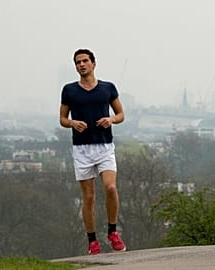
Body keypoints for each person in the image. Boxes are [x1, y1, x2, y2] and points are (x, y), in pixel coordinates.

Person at [60, 48, 126, 255]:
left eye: (85, 61)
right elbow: (62, 119)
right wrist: (72, 123)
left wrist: (111, 119)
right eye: (78, 62)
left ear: (94, 64)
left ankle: (113, 232)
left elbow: (121, 114)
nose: (81, 64)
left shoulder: (107, 88)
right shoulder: (69, 90)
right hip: (81, 149)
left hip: (105, 146)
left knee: (111, 188)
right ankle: (92, 241)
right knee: (88, 197)